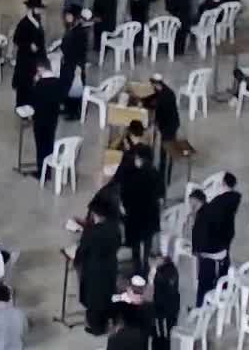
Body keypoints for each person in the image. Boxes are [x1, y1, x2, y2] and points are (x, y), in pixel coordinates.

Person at [76, 201, 123, 336]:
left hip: (94, 270)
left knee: (94, 299)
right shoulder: (115, 228)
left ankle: (97, 328)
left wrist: (77, 260)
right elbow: (118, 243)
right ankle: (109, 318)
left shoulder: (92, 232)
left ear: (95, 214)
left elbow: (82, 250)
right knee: (108, 293)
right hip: (110, 267)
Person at [191, 173, 240, 299]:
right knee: (222, 275)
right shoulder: (232, 200)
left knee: (204, 284)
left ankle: (203, 306)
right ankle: (222, 294)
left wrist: (197, 250)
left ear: (223, 184)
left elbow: (203, 232)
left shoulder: (215, 206)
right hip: (224, 243)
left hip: (211, 251)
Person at [118, 146, 161, 273]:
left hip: (135, 217)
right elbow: (160, 197)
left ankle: (137, 270)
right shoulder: (155, 173)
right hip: (150, 216)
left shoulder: (131, 175)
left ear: (139, 159)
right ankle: (146, 268)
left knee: (135, 247)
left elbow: (124, 196)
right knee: (147, 244)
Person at [25, 61, 65, 178]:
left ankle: (41, 171)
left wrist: (34, 82)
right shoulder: (58, 82)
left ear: (41, 69)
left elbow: (33, 101)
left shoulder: (40, 84)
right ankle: (48, 169)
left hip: (40, 119)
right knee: (49, 143)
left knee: (40, 145)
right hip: (53, 118)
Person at [10, 0, 46, 106]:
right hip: (25, 60)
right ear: (31, 9)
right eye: (37, 8)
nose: (39, 11)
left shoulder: (37, 21)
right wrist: (29, 45)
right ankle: (22, 108)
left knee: (34, 85)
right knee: (24, 86)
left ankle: (31, 107)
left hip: (36, 59)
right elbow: (16, 39)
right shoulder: (24, 23)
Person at [148, 255, 179, 350]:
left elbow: (153, 286)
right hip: (172, 308)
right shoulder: (172, 269)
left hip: (163, 310)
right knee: (168, 333)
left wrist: (153, 271)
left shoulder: (161, 273)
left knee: (161, 336)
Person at [57, 10, 91, 98]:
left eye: (69, 16)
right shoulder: (70, 28)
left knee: (73, 85)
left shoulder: (80, 32)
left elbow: (82, 51)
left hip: (74, 64)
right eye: (66, 16)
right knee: (66, 83)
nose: (67, 18)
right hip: (67, 61)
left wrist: (79, 66)